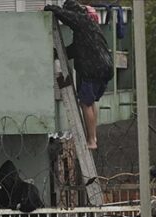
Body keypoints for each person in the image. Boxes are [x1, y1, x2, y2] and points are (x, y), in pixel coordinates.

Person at [44, 0, 113, 150]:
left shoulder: (81, 20)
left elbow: (67, 16)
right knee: (90, 102)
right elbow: (75, 50)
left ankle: (91, 141)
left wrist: (49, 8)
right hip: (105, 68)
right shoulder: (89, 28)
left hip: (92, 69)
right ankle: (93, 136)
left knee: (85, 103)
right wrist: (58, 54)